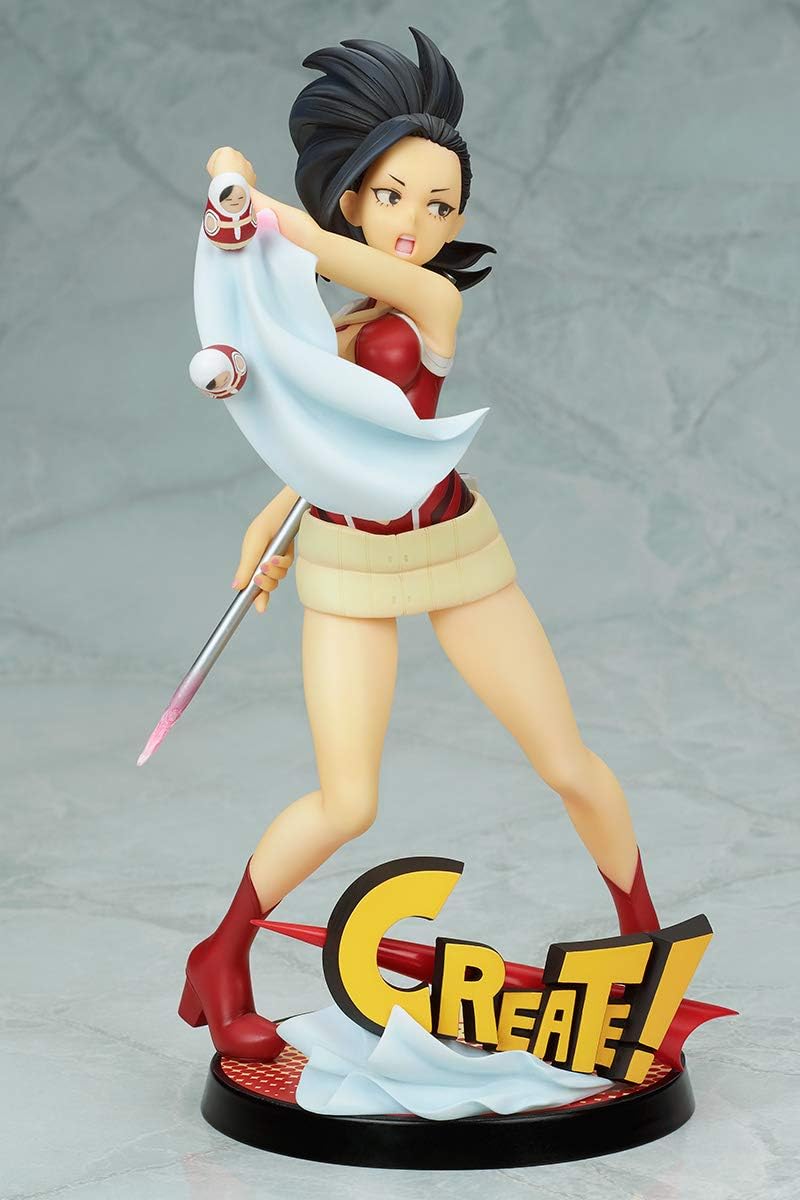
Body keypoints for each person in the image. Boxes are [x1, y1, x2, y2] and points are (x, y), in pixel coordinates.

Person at [179, 29, 659, 1062]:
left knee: (565, 761)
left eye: (440, 206)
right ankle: (219, 956)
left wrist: (249, 204)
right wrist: (268, 525)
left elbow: (327, 255)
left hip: (452, 553)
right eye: (393, 196)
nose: (416, 223)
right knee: (346, 799)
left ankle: (641, 946)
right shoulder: (336, 334)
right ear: (356, 195)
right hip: (347, 563)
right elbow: (329, 447)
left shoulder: (432, 303)